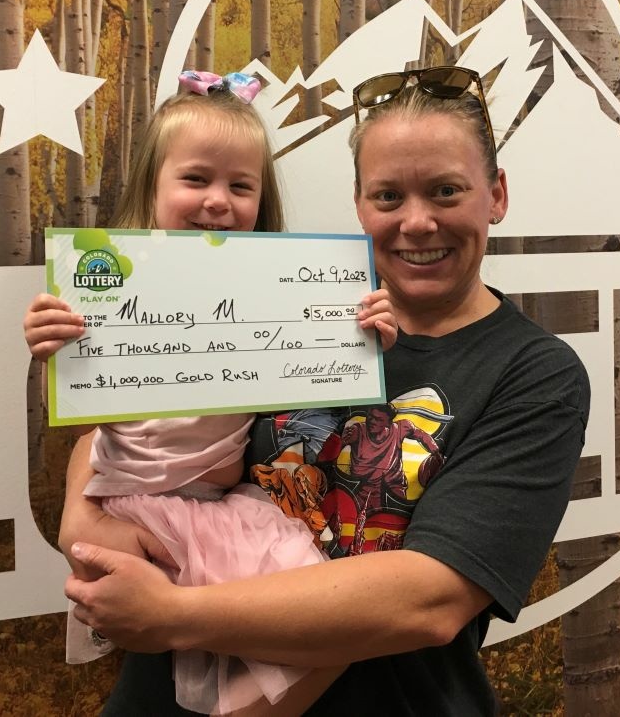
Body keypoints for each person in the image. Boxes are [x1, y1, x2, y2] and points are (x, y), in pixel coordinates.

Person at [62, 65, 592, 716]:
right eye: (389, 196)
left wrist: (172, 614)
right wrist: (85, 518)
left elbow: (428, 600)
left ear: (497, 194)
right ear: (360, 203)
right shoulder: (290, 303)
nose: (417, 222)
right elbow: (131, 426)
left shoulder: (535, 376)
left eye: (447, 191)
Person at [23, 70, 398, 716]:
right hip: (144, 505)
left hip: (220, 505)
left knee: (304, 604)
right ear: (153, 186)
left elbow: (330, 379)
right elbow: (82, 419)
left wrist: (367, 336)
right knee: (270, 621)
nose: (218, 201)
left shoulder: (277, 288)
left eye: (240, 186)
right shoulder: (106, 287)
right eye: (196, 180)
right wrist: (51, 341)